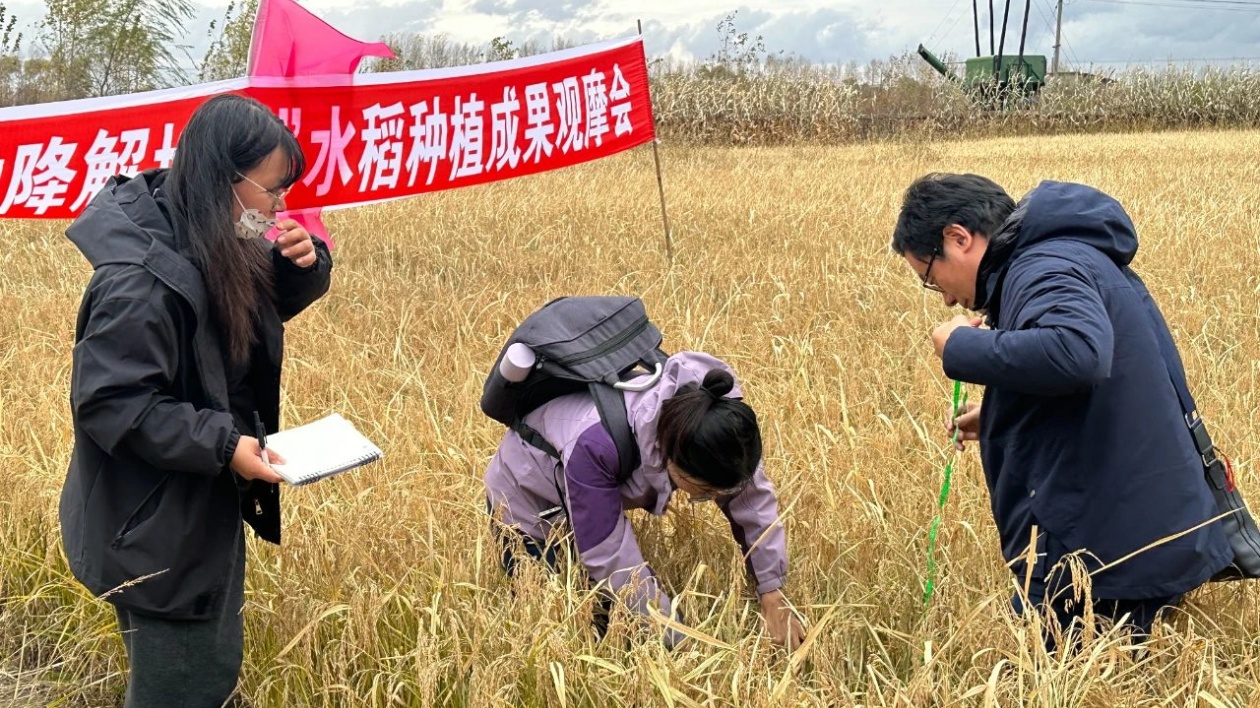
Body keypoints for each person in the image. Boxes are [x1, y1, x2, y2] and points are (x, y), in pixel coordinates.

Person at [59, 93, 333, 707]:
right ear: (222, 180)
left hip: (186, 502)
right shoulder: (137, 284)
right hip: (155, 526)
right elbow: (112, 404)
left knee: (193, 674)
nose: (279, 206)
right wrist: (225, 444)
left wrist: (302, 266)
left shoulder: (205, 229)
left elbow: (240, 318)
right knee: (188, 683)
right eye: (271, 190)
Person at [891, 173, 1232, 650]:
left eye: (930, 278)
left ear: (958, 237)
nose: (945, 297)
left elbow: (1077, 353)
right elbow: (1103, 388)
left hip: (1103, 554)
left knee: (1048, 673)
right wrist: (1000, 415)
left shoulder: (1041, 267)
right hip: (1133, 533)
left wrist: (959, 346)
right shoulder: (1062, 258)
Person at [484, 351, 805, 649]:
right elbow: (610, 553)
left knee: (617, 616)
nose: (714, 499)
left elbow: (753, 503)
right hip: (525, 501)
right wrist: (679, 640)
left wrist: (772, 591)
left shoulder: (719, 422)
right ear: (670, 459)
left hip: (579, 484)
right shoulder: (596, 446)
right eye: (705, 492)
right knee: (574, 628)